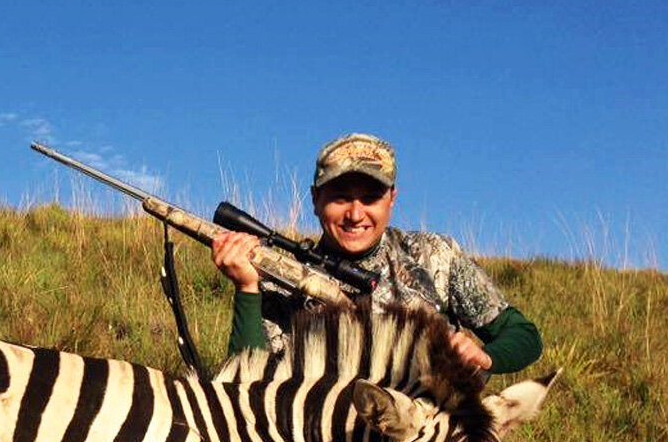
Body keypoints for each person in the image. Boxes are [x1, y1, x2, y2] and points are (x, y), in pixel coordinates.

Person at [212, 133, 542, 374]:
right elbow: (247, 385)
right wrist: (247, 290)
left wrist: (485, 357)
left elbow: (523, 335)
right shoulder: (284, 277)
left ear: (392, 200)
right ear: (315, 199)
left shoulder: (435, 255)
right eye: (340, 197)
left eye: (370, 198)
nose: (356, 214)